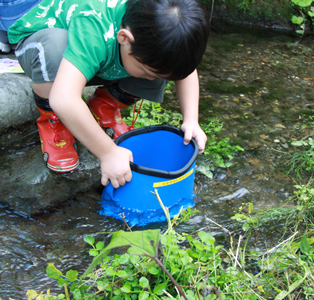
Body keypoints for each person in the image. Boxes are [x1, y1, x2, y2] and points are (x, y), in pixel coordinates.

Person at [7, 0, 209, 188]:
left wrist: (191, 120)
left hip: (94, 60)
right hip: (40, 45)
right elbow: (63, 98)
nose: (150, 79)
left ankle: (104, 106)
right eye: (148, 73)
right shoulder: (93, 26)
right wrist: (108, 152)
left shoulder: (151, 35)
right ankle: (54, 122)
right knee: (55, 45)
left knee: (163, 64)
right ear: (124, 38)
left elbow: (185, 71)